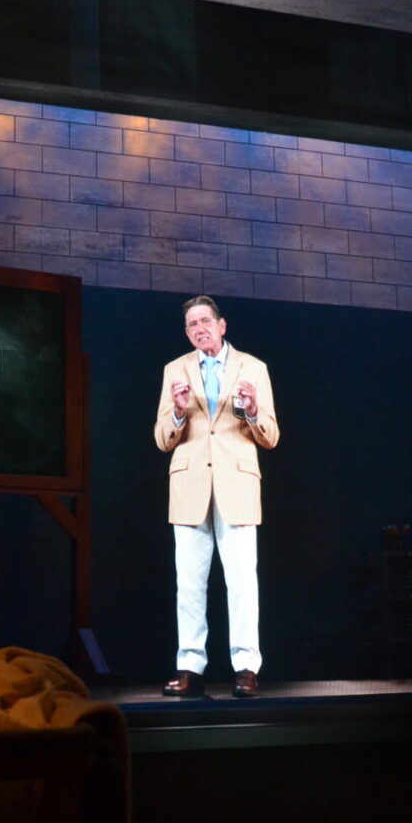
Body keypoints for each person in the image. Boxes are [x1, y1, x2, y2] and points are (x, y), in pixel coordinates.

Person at [153, 295, 279, 698]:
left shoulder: (253, 367)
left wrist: (255, 409)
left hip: (237, 486)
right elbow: (161, 438)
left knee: (242, 583)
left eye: (205, 321)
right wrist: (175, 411)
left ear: (222, 326)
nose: (199, 329)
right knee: (189, 585)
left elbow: (271, 436)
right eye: (191, 324)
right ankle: (190, 667)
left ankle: (245, 667)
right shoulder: (175, 369)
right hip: (190, 487)